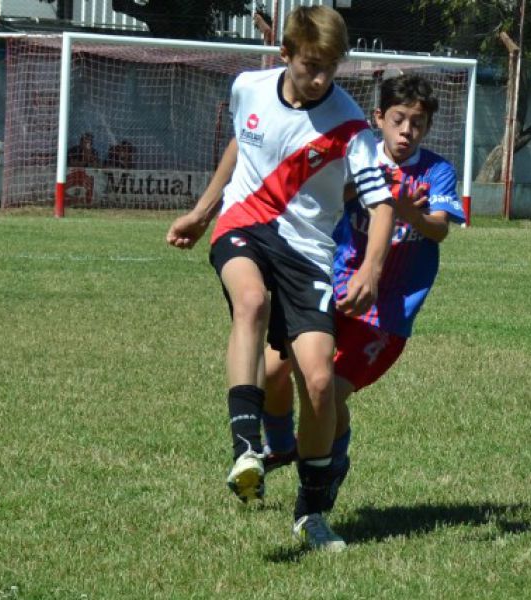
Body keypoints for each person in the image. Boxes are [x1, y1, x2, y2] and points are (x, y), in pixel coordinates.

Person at [165, 5, 398, 552]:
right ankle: (246, 446)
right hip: (244, 224)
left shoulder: (351, 127)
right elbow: (240, 149)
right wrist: (203, 212)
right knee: (250, 301)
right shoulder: (248, 87)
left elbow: (382, 204)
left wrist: (370, 267)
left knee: (318, 382)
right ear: (285, 55)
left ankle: (311, 513)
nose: (320, 78)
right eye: (310, 65)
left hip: (308, 253)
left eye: (330, 68)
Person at [258, 74, 464, 546]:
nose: (407, 130)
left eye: (417, 122)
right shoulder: (357, 156)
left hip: (386, 314)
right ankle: (280, 443)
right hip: (333, 289)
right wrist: (362, 190)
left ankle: (327, 467)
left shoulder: (436, 173)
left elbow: (438, 230)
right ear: (379, 120)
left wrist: (407, 211)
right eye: (398, 120)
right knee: (273, 369)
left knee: (327, 393)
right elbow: (323, 198)